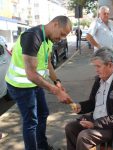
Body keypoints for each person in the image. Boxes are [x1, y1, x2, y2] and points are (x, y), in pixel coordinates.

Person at [5, 16, 72, 150]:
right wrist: (56, 91)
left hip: (34, 84)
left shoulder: (48, 39)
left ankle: (42, 146)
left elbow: (47, 64)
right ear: (55, 24)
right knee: (31, 122)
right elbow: (31, 74)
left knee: (43, 113)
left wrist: (56, 81)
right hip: (20, 86)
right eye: (62, 34)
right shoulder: (32, 37)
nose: (62, 38)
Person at [65, 47, 113, 150]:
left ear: (110, 65)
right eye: (95, 66)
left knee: (84, 137)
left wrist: (94, 124)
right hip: (99, 121)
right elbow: (92, 102)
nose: (96, 70)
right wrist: (80, 107)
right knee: (70, 128)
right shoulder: (99, 80)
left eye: (98, 66)